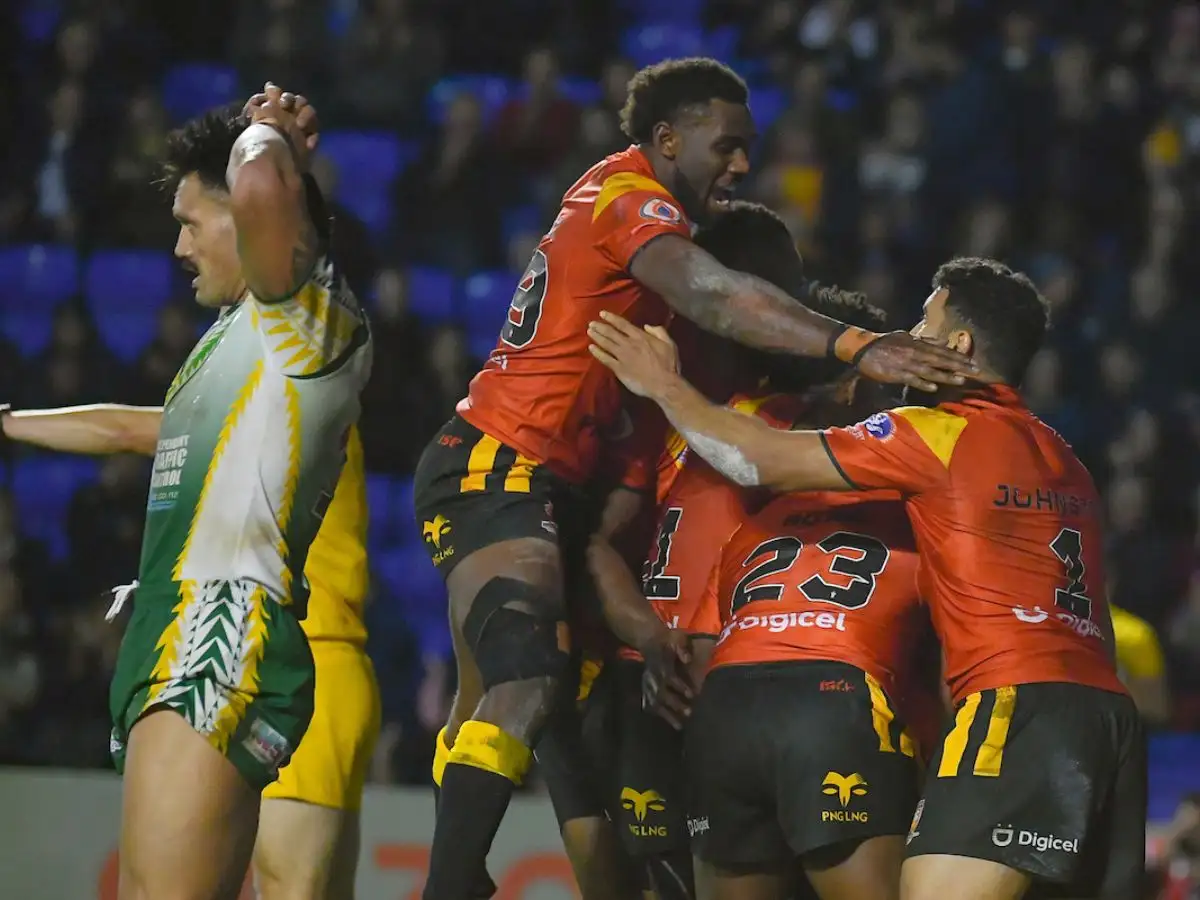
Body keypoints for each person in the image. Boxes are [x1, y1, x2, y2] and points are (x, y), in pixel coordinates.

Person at [413, 57, 975, 900]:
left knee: (502, 697)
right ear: (667, 138)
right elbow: (715, 293)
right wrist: (857, 346)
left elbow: (614, 514)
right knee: (522, 682)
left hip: (595, 570)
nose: (743, 164)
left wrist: (644, 632)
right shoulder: (624, 201)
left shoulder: (661, 381)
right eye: (730, 145)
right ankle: (450, 885)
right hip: (502, 464)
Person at [588, 256, 1145, 900]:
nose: (906, 343)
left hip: (1012, 703)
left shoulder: (937, 432)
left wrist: (664, 386)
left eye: (922, 324)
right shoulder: (1064, 457)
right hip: (1107, 716)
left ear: (957, 346)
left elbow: (756, 456)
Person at [19, 86, 371, 900]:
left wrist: (263, 136)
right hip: (176, 627)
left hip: (220, 629)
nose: (177, 247)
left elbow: (258, 190)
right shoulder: (237, 339)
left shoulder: (305, 320)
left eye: (189, 221)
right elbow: (129, 431)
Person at [1, 409, 378, 899]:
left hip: (308, 670)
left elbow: (128, 430)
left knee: (290, 891)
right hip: (337, 672)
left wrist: (9, 424)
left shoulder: (288, 400)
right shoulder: (315, 404)